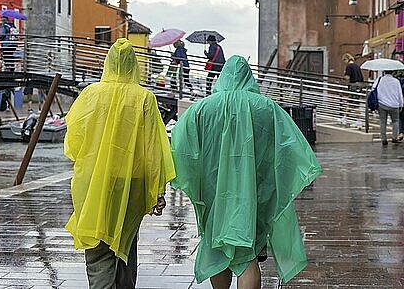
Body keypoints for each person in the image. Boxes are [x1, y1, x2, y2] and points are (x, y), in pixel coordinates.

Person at [171, 55, 322, 288]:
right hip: (255, 191)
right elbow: (289, 146)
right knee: (247, 252)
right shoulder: (266, 107)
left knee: (217, 246)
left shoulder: (201, 109)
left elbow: (180, 148)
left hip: (213, 192)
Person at [64, 38, 176, 289]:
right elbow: (153, 149)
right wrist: (157, 191)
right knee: (125, 241)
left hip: (93, 180)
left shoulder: (90, 94)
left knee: (97, 245)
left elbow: (73, 142)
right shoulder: (144, 98)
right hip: (131, 183)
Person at [373, 70, 404, 146]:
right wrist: (401, 104)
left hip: (382, 104)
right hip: (394, 104)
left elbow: (373, 89)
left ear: (384, 72)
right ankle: (394, 138)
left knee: (383, 122)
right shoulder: (396, 81)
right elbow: (400, 94)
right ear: (392, 72)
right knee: (395, 121)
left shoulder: (379, 80)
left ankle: (383, 139)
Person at [341, 53, 364, 125]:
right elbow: (362, 77)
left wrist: (344, 76)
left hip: (353, 86)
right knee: (350, 103)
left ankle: (359, 120)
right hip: (359, 85)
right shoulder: (357, 66)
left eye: (344, 60)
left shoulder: (349, 66)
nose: (344, 62)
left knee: (355, 103)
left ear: (346, 59)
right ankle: (345, 118)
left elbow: (347, 77)